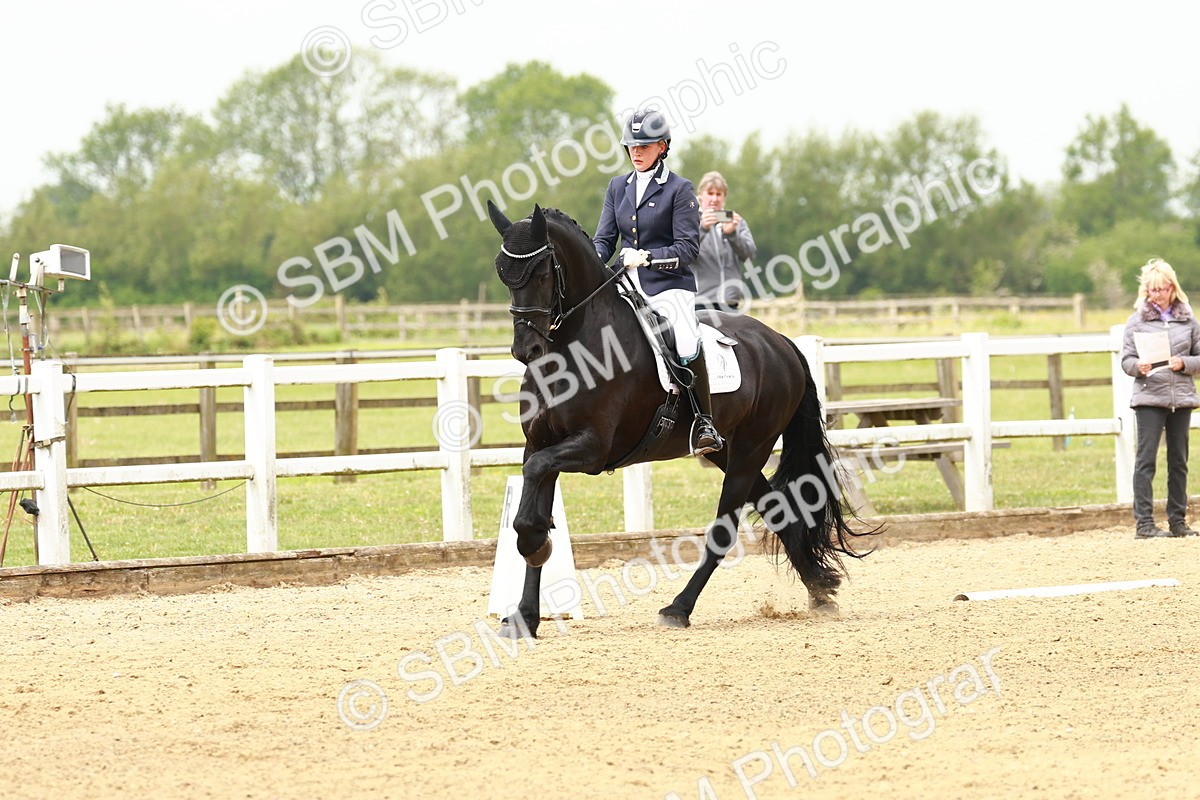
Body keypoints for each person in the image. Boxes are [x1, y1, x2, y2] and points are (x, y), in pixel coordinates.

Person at [593, 109, 723, 456]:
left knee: (684, 334)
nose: (636, 152)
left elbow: (688, 247)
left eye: (645, 146)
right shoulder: (617, 187)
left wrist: (649, 257)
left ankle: (703, 421)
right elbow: (604, 240)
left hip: (668, 283)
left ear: (663, 146)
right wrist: (591, 262)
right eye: (631, 146)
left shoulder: (680, 190)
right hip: (624, 281)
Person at [1120, 257, 1200, 539]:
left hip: (1182, 399)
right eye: (1152, 290)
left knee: (1179, 461)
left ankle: (1178, 521)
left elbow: (1199, 358)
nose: (1157, 295)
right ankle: (1144, 524)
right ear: (1146, 291)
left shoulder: (1189, 320)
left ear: (1172, 288)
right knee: (1146, 460)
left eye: (1162, 289)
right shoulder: (1136, 321)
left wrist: (1185, 364)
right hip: (1149, 398)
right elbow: (1126, 359)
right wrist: (1136, 367)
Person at [693, 170, 757, 313]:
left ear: (724, 198)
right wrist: (702, 228)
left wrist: (732, 234)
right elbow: (683, 254)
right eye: (710, 193)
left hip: (730, 304)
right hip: (700, 303)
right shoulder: (689, 221)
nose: (714, 199)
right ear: (700, 196)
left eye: (718, 194)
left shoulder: (735, 222)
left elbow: (750, 255)